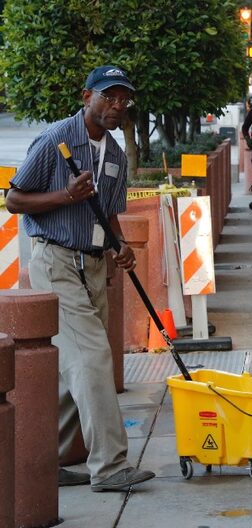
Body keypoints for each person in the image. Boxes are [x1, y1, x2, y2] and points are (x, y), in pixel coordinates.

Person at [5, 65, 156, 493]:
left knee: (71, 370)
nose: (117, 106)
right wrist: (64, 196)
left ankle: (47, 459)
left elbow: (108, 212)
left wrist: (120, 246)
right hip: (55, 263)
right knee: (92, 358)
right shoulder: (56, 140)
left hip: (93, 265)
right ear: (86, 95)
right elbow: (15, 198)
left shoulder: (116, 154)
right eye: (109, 97)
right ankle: (110, 468)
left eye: (124, 99)